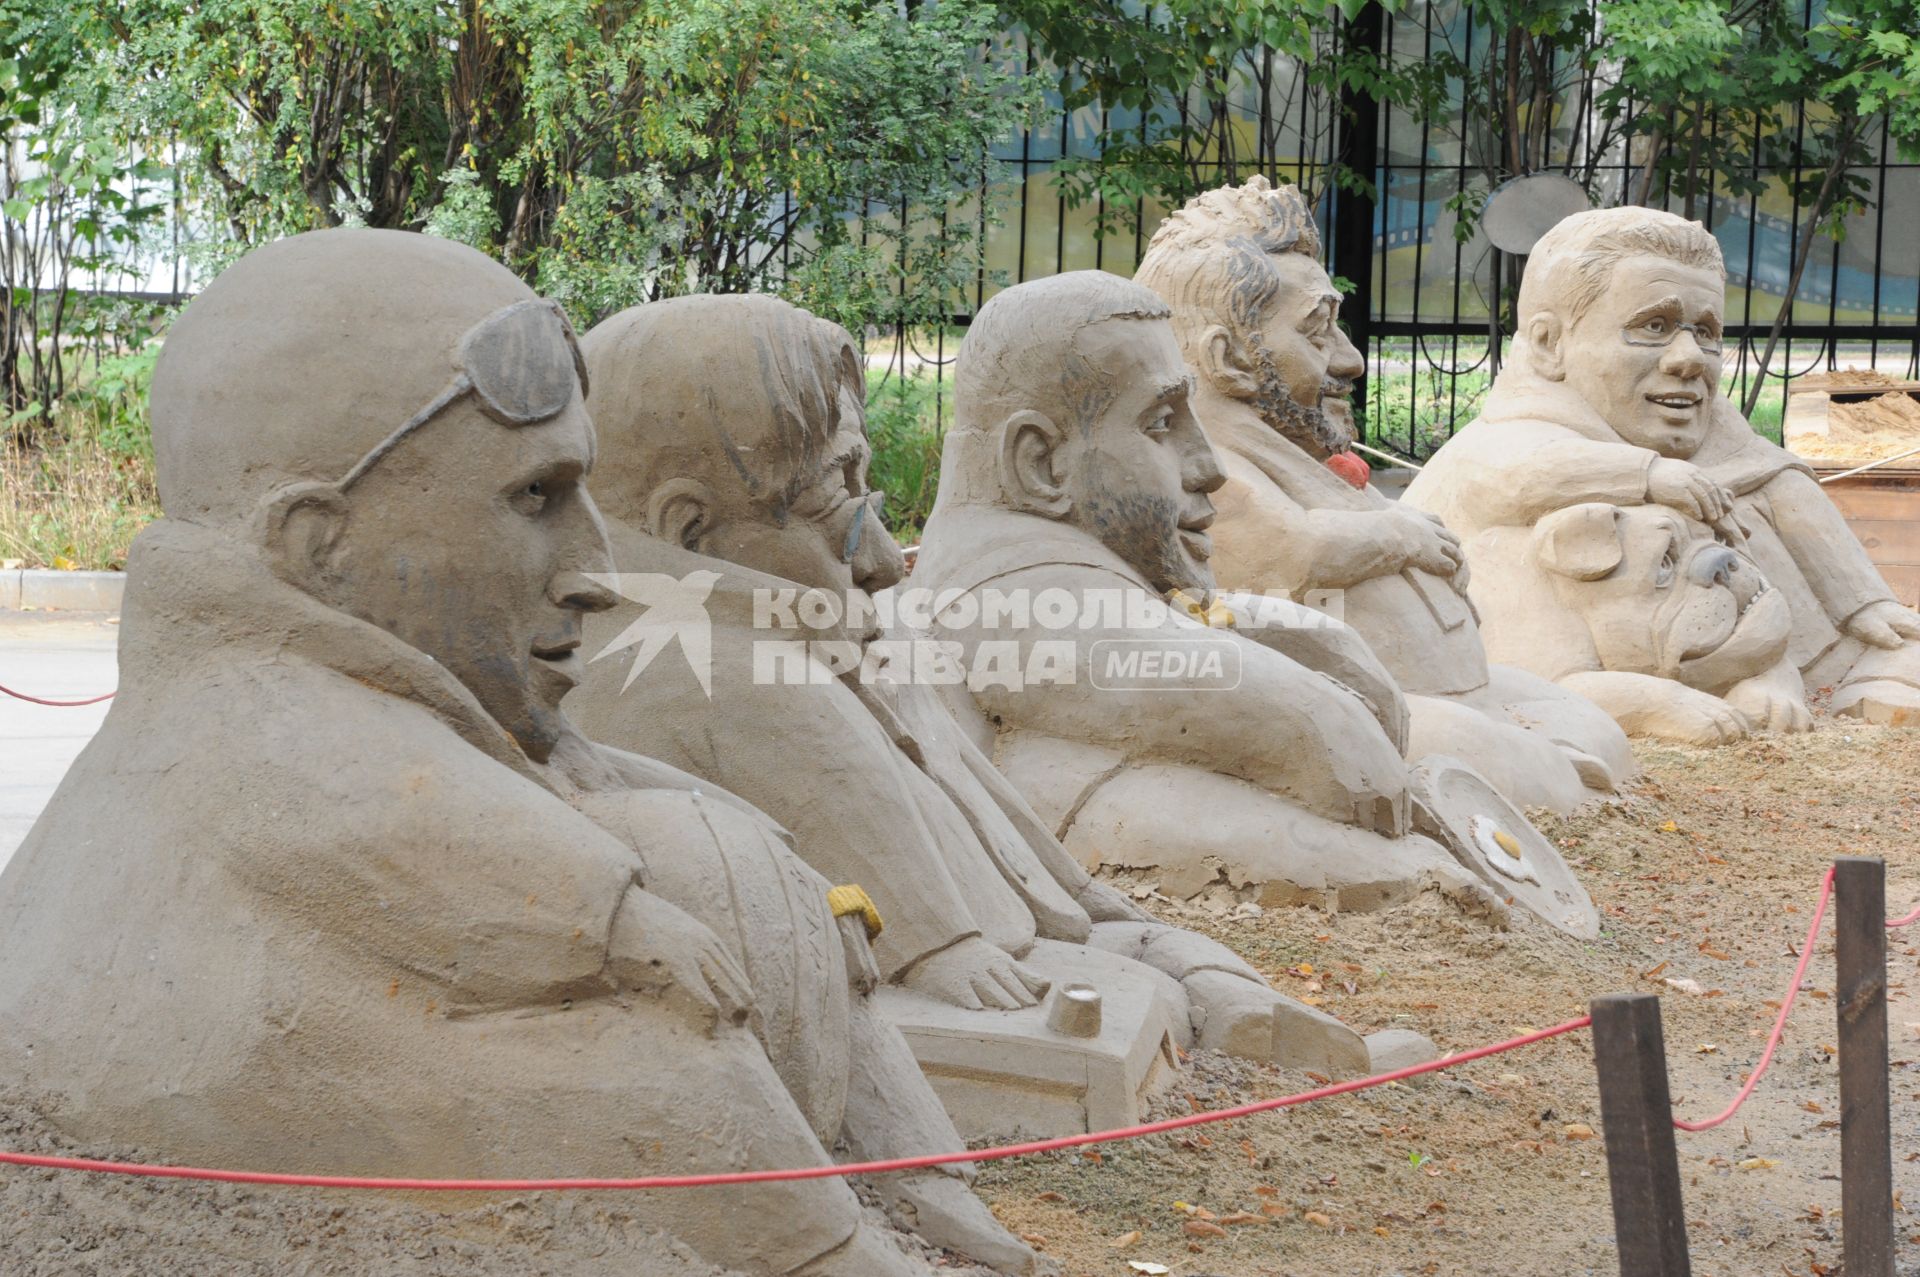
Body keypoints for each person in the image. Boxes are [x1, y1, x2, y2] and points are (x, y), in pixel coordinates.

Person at [0, 230, 1040, 1277]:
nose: (597, 570)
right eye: (537, 498)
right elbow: (405, 824)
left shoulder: (410, 675)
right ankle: (833, 1249)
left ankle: (922, 1185)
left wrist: (777, 870)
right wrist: (621, 916)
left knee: (800, 913)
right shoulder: (249, 709)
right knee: (648, 1074)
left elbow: (577, 773)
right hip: (253, 1063)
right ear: (320, 545)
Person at [568, 293, 1390, 1075]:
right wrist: (937, 946)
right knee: (1141, 979)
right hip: (924, 951)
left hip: (1016, 917)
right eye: (836, 502)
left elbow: (981, 805)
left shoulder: (839, 633)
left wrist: (1079, 899)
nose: (885, 559)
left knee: (1166, 953)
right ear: (691, 531)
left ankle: (1264, 1027)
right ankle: (1232, 1020)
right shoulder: (712, 667)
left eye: (867, 490)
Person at [910, 271, 1511, 923]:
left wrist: (1330, 654)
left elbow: (1196, 633)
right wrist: (1338, 704)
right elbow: (1341, 758)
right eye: (1161, 422)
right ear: (1041, 465)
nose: (1209, 465)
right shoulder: (1010, 596)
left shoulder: (1054, 571)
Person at [1133, 176, 1632, 809]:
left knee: (1589, 728)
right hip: (1361, 710)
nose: (1351, 360)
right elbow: (1288, 556)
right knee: (1521, 769)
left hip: (1454, 692)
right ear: (1227, 358)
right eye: (1317, 334)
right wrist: (1401, 533)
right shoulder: (1209, 468)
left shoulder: (1292, 454)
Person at [1404, 206, 1917, 728]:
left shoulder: (1703, 416)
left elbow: (1778, 479)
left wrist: (1863, 605)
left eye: (1706, 331)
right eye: (1653, 326)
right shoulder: (1514, 430)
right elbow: (1520, 473)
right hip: (1549, 667)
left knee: (1765, 487)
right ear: (1548, 344)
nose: (1689, 358)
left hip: (1721, 629)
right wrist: (1649, 475)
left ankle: (1849, 663)